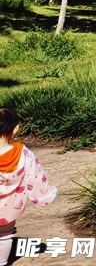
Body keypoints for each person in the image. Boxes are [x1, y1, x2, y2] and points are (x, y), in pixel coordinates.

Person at [0, 108, 57, 266]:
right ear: (15, 129)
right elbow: (35, 175)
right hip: (7, 209)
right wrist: (45, 194)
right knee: (4, 235)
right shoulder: (22, 154)